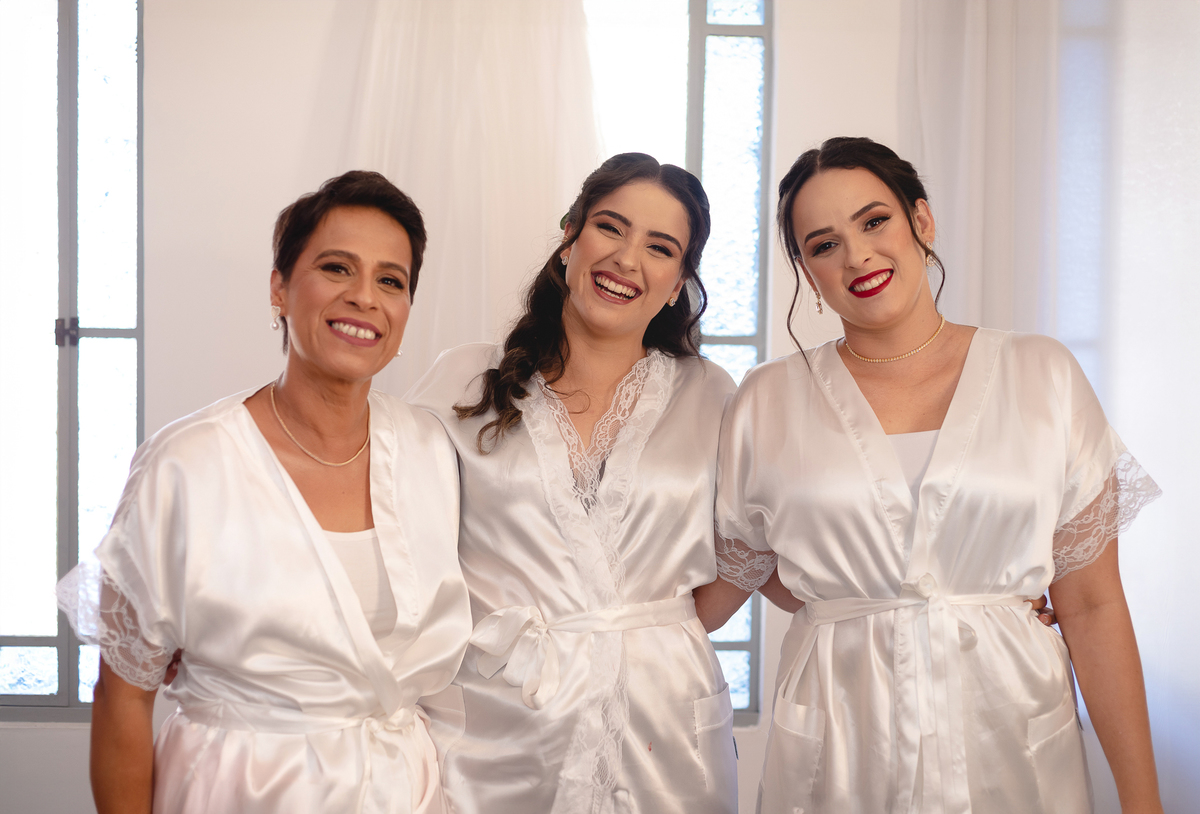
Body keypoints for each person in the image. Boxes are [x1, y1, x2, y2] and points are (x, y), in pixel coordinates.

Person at [698, 137, 1164, 813]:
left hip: (1011, 730)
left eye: (874, 221)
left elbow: (1092, 606)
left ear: (922, 220)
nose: (857, 255)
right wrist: (854, 597)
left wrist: (1144, 803)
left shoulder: (1042, 374)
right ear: (806, 272)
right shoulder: (767, 399)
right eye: (824, 245)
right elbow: (742, 561)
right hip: (842, 742)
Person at [56, 171, 472, 814]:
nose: (365, 297)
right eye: (337, 268)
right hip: (238, 789)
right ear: (279, 288)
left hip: (402, 790)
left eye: (391, 280)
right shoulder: (188, 463)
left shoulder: (430, 450)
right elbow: (124, 695)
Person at [407, 153, 740, 814]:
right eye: (610, 227)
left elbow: (747, 543)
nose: (626, 258)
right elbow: (399, 539)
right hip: (495, 731)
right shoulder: (463, 382)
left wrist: (647, 636)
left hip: (665, 730)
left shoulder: (711, 394)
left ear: (678, 282)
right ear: (570, 239)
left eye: (660, 247)